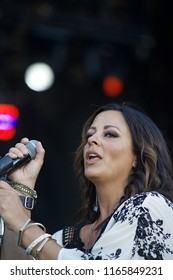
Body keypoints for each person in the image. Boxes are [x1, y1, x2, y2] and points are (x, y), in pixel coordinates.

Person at [0, 101, 173, 260]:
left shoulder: (151, 206)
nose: (92, 139)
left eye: (110, 134)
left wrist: (23, 223)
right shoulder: (62, 240)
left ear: (138, 155)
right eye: (90, 134)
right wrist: (22, 191)